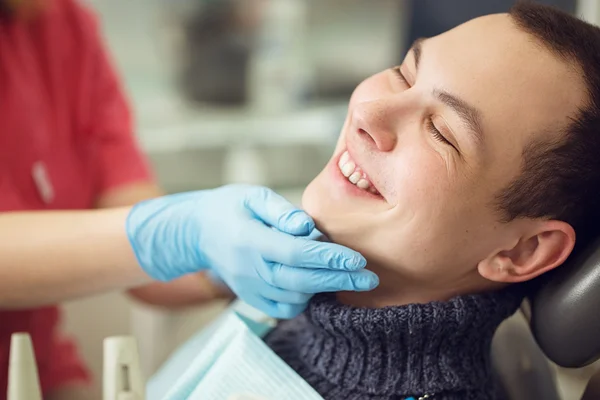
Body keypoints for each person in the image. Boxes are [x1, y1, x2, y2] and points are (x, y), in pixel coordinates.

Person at [0, 0, 378, 399]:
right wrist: (183, 234)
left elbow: (138, 247)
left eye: (440, 131)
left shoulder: (65, 26)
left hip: (39, 371)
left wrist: (223, 260)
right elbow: (147, 240)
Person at [263, 2, 600, 399]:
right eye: (404, 75)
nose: (369, 114)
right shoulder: (300, 304)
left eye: (441, 132)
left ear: (523, 251)